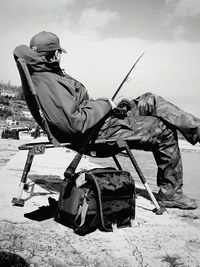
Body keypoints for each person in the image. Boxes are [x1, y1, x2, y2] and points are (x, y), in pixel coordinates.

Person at [13, 31, 200, 210]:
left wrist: (110, 107)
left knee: (150, 99)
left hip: (102, 122)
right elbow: (75, 123)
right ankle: (171, 194)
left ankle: (197, 129)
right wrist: (105, 104)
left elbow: (76, 111)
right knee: (164, 130)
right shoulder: (48, 82)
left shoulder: (46, 74)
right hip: (98, 133)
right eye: (60, 52)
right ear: (54, 55)